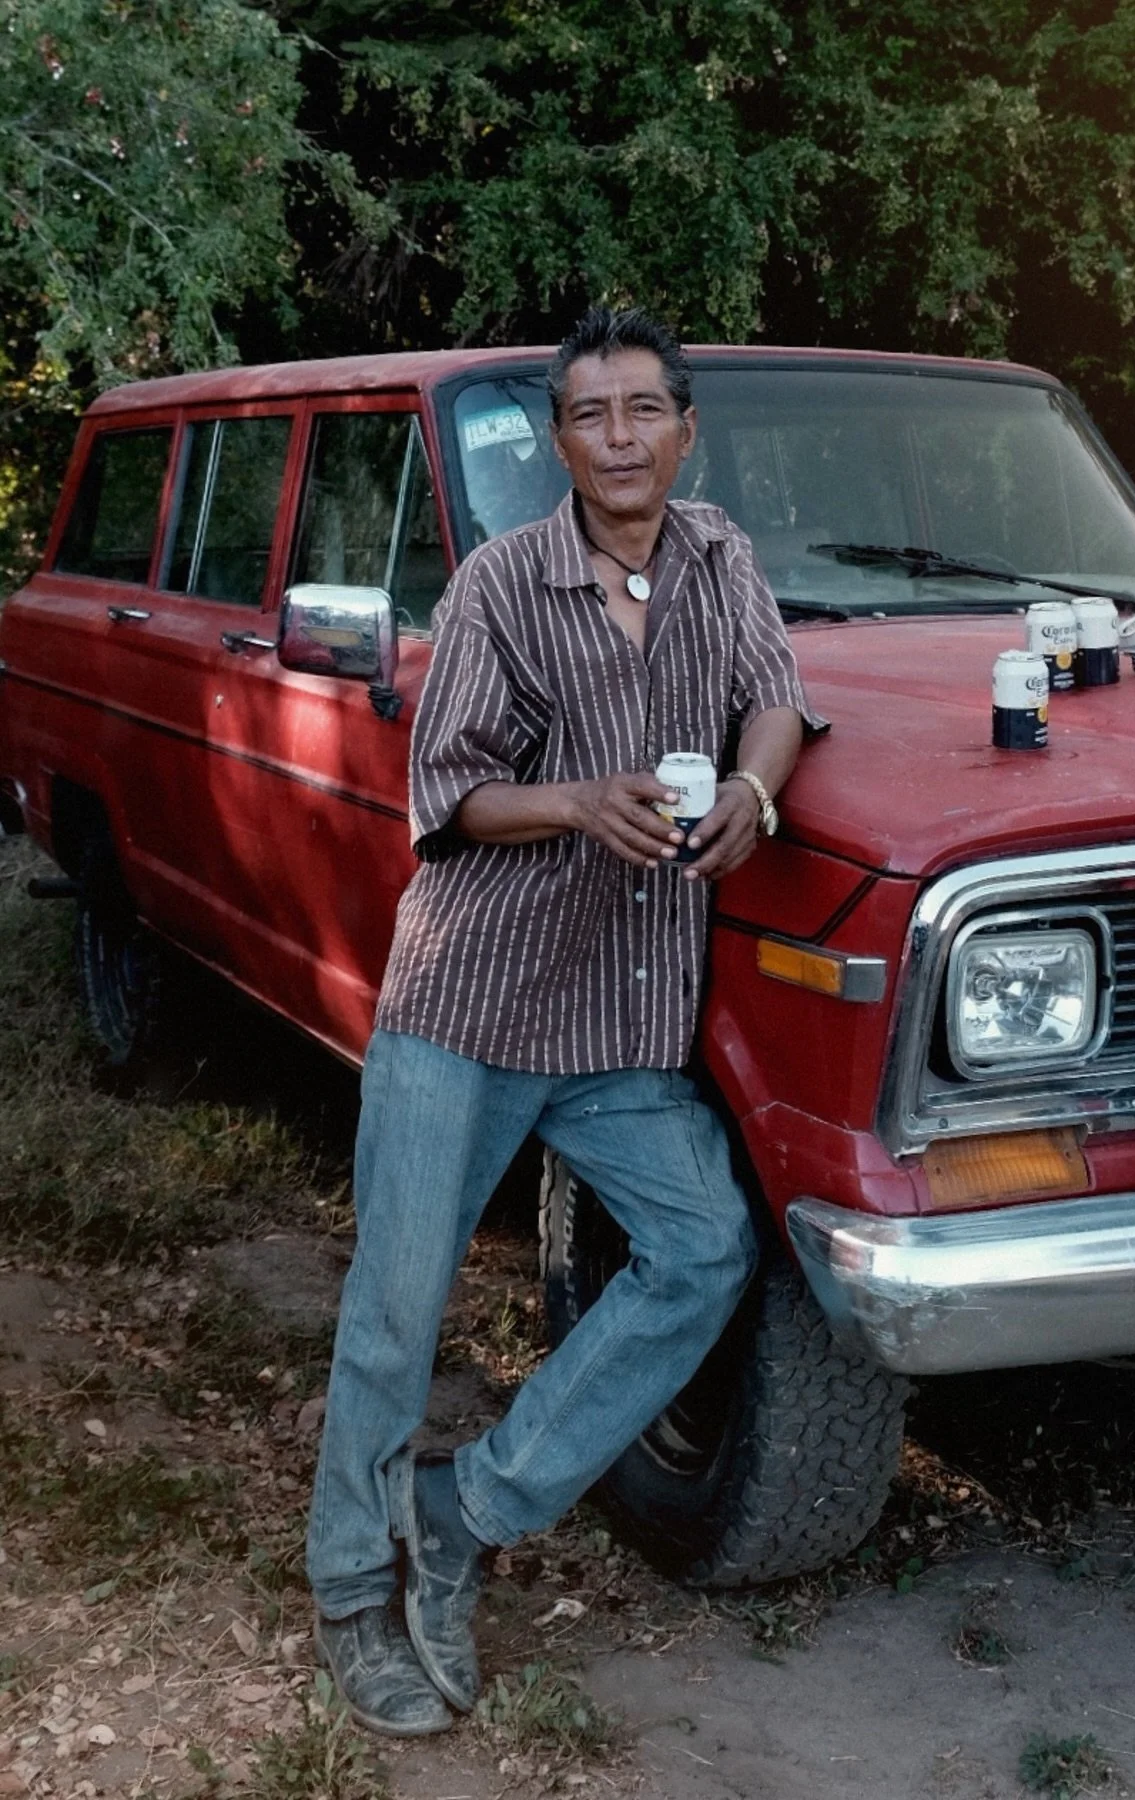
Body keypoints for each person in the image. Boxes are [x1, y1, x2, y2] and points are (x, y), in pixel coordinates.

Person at [305, 305, 821, 1735]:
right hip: (471, 1005)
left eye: (644, 410)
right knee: (396, 1311)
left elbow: (777, 699)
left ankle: (466, 1510)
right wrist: (579, 803)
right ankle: (354, 1590)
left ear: (685, 428)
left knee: (705, 1246)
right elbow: (447, 789)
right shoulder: (499, 586)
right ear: (560, 440)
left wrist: (755, 793)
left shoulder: (722, 561)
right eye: (591, 417)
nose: (620, 438)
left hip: (618, 1020)